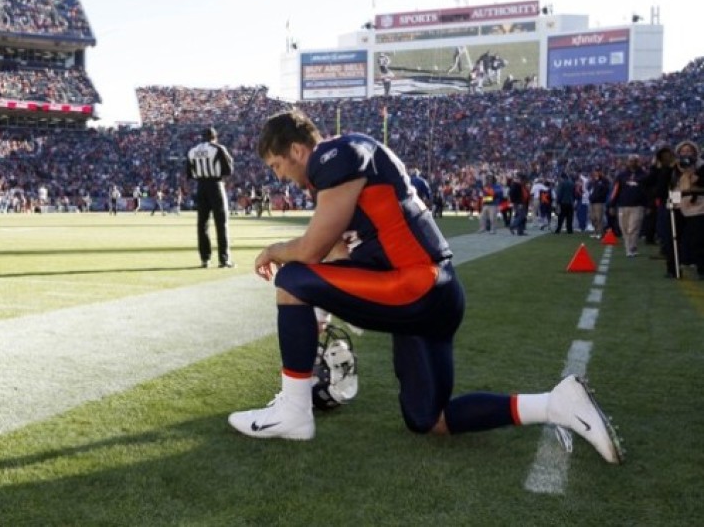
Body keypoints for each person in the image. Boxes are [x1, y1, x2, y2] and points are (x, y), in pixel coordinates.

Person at [227, 110, 623, 465]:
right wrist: (319, 313)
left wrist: (273, 250)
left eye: (277, 164)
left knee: (292, 277)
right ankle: (556, 405)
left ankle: (295, 411)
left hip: (416, 286)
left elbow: (309, 251)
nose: (278, 176)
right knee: (428, 419)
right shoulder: (340, 169)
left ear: (298, 150)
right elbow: (330, 257)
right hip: (433, 296)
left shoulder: (335, 157)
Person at [186, 126, 234, 268]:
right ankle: (224, 259)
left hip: (201, 187)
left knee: (202, 224)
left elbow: (189, 173)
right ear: (214, 136)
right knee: (221, 223)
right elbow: (228, 169)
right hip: (215, 185)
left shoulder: (192, 151)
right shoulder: (218, 148)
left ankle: (205, 259)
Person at [666, 140, 704, 279]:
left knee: (698, 238)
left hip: (697, 204)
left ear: (695, 152)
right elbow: (669, 185)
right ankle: (673, 268)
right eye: (683, 151)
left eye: (689, 151)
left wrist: (691, 172)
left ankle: (701, 268)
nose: (686, 154)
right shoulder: (674, 168)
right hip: (677, 201)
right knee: (674, 237)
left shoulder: (701, 166)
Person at [609, 154, 649, 257]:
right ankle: (631, 247)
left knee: (634, 227)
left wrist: (648, 205)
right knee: (624, 228)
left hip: (638, 206)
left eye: (635, 161)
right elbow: (616, 191)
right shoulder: (621, 175)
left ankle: (630, 249)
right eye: (630, 161)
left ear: (638, 162)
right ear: (627, 162)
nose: (632, 163)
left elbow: (647, 192)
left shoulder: (644, 175)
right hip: (623, 205)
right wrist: (612, 205)